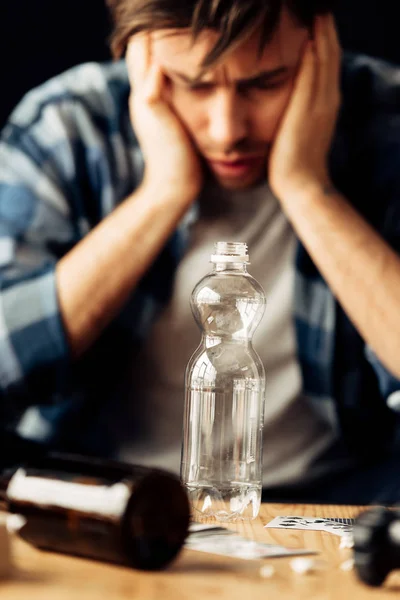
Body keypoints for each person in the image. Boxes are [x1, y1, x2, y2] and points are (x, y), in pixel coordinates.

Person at [1, 0, 400, 505]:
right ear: (137, 52)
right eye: (194, 84)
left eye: (266, 83)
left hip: (344, 497)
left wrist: (307, 188)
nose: (227, 129)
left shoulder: (386, 119)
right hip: (96, 494)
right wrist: (162, 193)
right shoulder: (69, 126)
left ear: (319, 40)